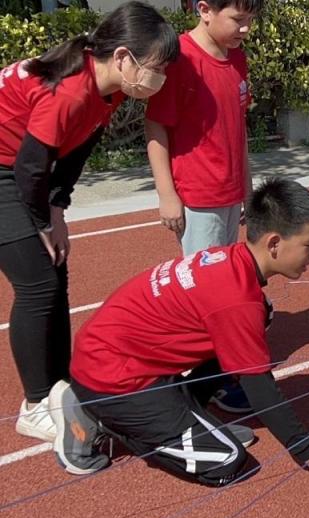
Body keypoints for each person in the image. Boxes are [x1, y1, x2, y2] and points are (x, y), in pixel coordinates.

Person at [50, 178, 309, 485]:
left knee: (260, 315)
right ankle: (99, 417)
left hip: (118, 358)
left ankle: (185, 417)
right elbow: (260, 386)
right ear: (274, 243)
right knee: (227, 462)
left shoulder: (228, 259)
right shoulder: (235, 299)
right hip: (111, 380)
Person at [0, 1, 178, 442]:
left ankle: (59, 390)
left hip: (20, 167)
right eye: (156, 68)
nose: (161, 79)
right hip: (9, 170)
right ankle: (36, 404)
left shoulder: (110, 88)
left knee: (54, 275)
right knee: (38, 283)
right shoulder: (72, 90)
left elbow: (75, 151)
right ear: (123, 57)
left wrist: (58, 209)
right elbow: (29, 169)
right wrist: (44, 223)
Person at [146, 0, 262, 413]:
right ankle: (197, 380)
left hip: (230, 193)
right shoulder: (181, 60)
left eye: (250, 21)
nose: (245, 29)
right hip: (197, 196)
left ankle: (213, 370)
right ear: (204, 10)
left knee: (224, 285)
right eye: (238, 20)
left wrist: (246, 183)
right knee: (201, 291)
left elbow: (239, 125)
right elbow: (156, 125)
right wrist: (167, 193)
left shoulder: (236, 59)